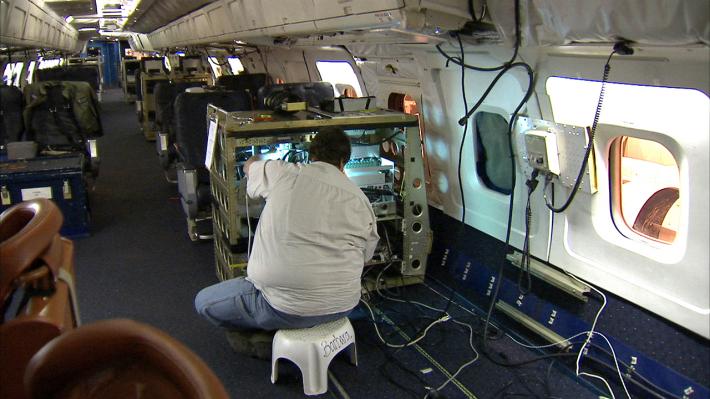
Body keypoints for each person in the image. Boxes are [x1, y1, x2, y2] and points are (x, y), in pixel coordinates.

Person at [194, 126, 380, 358]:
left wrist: (260, 158)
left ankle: (263, 333)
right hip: (342, 305)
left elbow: (248, 167)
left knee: (203, 302)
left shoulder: (284, 173)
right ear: (345, 161)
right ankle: (274, 332)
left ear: (311, 154)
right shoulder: (361, 200)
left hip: (278, 305)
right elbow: (366, 255)